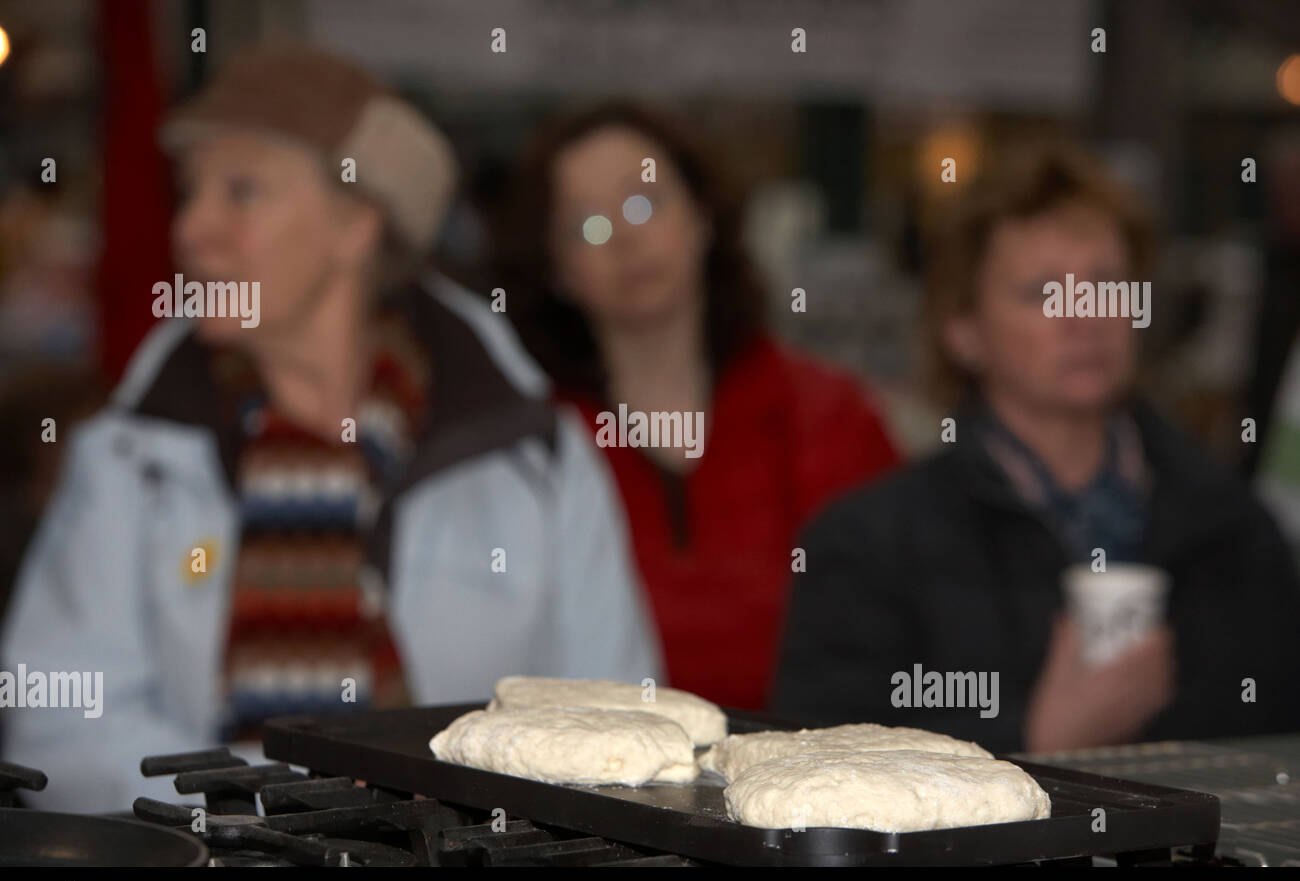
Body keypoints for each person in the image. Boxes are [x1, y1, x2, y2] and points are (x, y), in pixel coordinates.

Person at [0, 48, 660, 812]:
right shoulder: (132, 451)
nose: (192, 229)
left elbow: (618, 726)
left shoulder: (530, 455)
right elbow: (56, 721)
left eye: (240, 191)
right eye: (190, 193)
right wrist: (265, 810)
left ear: (355, 224)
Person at [775, 144, 1300, 754]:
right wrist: (1033, 739)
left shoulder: (1232, 527)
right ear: (964, 331)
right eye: (1041, 292)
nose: (1084, 315)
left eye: (1105, 285)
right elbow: (818, 771)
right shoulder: (867, 547)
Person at [494, 101, 900, 710]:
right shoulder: (528, 446)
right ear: (556, 269)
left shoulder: (833, 416)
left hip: (816, 780)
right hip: (596, 787)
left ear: (703, 215)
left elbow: (899, 631)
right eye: (587, 226)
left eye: (643, 203)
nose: (625, 238)